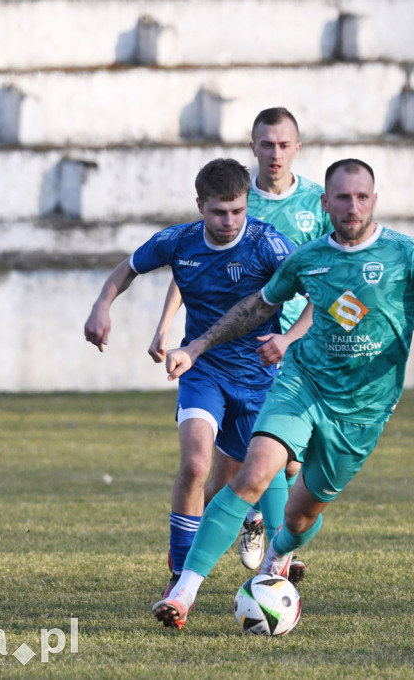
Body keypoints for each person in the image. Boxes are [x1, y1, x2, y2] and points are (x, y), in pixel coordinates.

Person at [151, 158, 414, 629]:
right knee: (254, 473)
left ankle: (277, 556)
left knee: (300, 517)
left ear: (374, 200)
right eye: (343, 198)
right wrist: (197, 345)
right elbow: (256, 307)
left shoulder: (409, 254)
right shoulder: (307, 258)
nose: (353, 207)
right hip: (300, 384)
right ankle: (183, 592)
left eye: (362, 197)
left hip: (363, 408)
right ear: (325, 203)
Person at [83, 158, 306, 619]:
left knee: (258, 478)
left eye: (237, 211)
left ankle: (274, 558)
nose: (229, 221)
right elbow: (126, 269)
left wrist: (287, 339)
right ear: (200, 205)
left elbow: (317, 296)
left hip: (260, 378)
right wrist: (102, 306)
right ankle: (180, 575)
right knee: (196, 463)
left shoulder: (268, 244)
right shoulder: (178, 241)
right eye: (219, 212)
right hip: (202, 370)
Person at [147, 107, 331, 572]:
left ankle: (270, 542)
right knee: (233, 467)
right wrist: (166, 325)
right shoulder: (234, 197)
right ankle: (225, 535)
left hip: (299, 340)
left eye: (284, 144)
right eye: (266, 144)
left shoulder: (319, 202)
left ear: (297, 148)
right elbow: (194, 270)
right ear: (253, 147)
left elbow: (331, 270)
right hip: (240, 347)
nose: (275, 154)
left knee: (287, 461)